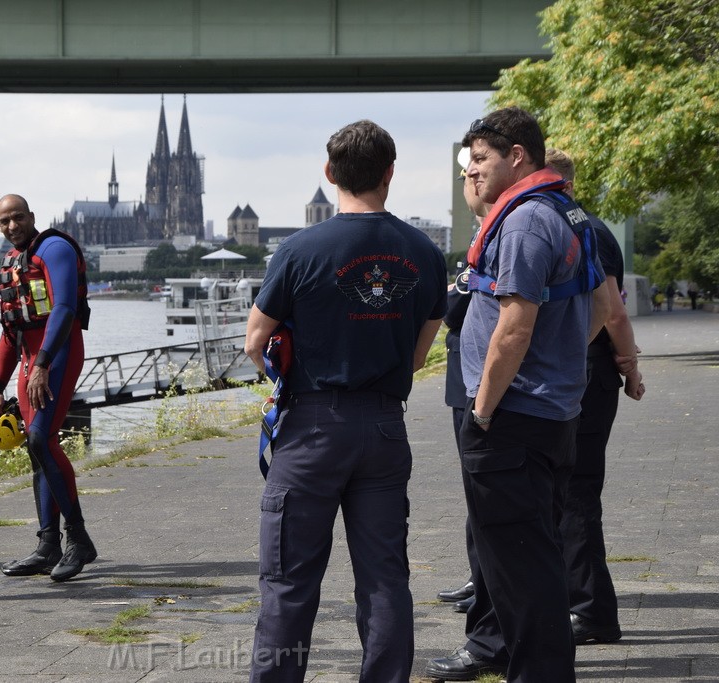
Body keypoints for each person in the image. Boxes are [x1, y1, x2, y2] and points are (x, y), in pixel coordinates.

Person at [244, 120, 447, 682]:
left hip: (311, 428)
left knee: (289, 582)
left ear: (330, 174)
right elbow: (418, 356)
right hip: (384, 427)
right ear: (390, 174)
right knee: (385, 578)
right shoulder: (425, 253)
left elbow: (255, 342)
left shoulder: (300, 249)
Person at [425, 108, 610, 682]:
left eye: (481, 158)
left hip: (511, 419)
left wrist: (482, 407)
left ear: (518, 156)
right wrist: (557, 365)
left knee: (519, 569)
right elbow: (602, 308)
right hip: (548, 412)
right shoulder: (565, 212)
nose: (472, 171)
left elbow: (515, 326)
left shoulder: (526, 222)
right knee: (535, 559)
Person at [545, 148, 646, 645]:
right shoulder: (589, 225)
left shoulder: (584, 229)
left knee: (576, 494)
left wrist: (629, 367)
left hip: (586, 370)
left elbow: (612, 312)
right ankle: (580, 604)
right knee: (570, 492)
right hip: (591, 370)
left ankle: (592, 612)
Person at [0, 194, 96, 582]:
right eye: (4, 221)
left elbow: (65, 308)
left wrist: (43, 365)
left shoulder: (55, 249)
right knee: (38, 451)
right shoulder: (10, 262)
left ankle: (79, 539)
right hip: (28, 360)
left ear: (31, 216)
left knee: (40, 440)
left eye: (18, 217)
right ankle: (48, 545)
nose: (12, 226)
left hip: (58, 352)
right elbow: (9, 330)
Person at [436, 171, 491, 615]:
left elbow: (453, 308)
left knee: (483, 487)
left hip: (477, 385)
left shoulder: (492, 237)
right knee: (476, 490)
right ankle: (480, 577)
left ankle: (486, 584)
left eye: (472, 171)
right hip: (465, 379)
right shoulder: (484, 235)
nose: (466, 180)